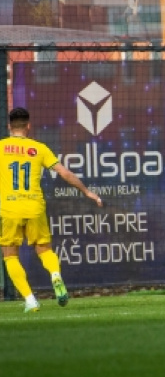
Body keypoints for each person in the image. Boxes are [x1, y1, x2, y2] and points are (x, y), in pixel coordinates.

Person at [1, 107, 103, 313]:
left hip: (9, 208)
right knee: (44, 249)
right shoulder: (39, 148)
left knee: (10, 255)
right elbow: (64, 173)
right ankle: (55, 275)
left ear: (9, 127)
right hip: (35, 206)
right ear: (28, 126)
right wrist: (86, 192)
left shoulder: (1, 147)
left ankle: (30, 300)